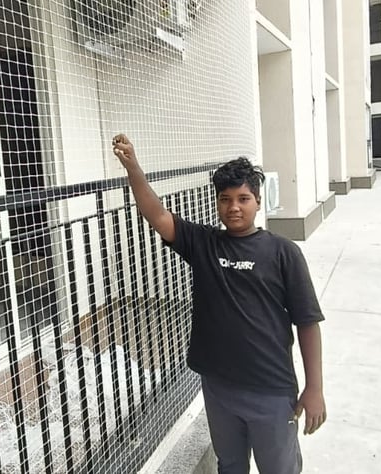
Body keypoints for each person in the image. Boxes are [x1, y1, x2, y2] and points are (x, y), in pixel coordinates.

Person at [112, 134, 326, 474]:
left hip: (270, 390)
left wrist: (314, 387)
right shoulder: (204, 244)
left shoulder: (284, 253)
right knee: (230, 465)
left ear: (258, 201)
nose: (234, 207)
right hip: (219, 387)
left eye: (243, 198)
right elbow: (157, 215)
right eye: (225, 199)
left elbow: (308, 322)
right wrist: (133, 168)